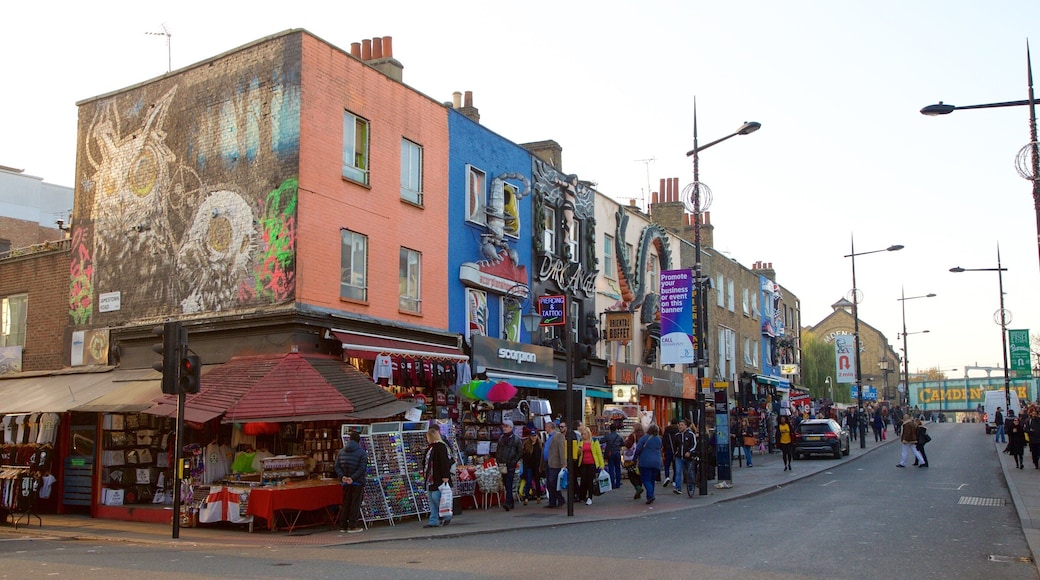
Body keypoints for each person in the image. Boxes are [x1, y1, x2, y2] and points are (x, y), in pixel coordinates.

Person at [334, 430, 367, 533]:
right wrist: (352, 478)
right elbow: (362, 468)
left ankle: (343, 525)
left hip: (345, 482)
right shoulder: (362, 453)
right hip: (357, 482)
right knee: (355, 504)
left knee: (346, 503)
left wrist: (343, 476)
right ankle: (352, 525)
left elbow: (337, 466)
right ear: (358, 441)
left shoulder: (341, 452)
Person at [421, 425, 453, 528]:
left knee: (436, 497)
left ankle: (446, 515)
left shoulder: (441, 447)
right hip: (431, 478)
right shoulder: (430, 448)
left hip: (438, 477)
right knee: (431, 499)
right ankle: (433, 520)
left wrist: (445, 476)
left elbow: (444, 462)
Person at [495, 419, 522, 511]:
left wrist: (513, 461)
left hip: (510, 464)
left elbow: (520, 452)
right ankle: (510, 502)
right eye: (504, 426)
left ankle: (508, 503)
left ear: (511, 427)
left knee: (509, 483)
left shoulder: (516, 439)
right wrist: (498, 460)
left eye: (506, 426)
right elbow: (498, 450)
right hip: (502, 464)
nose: (504, 428)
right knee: (506, 483)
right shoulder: (501, 438)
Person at [572, 427, 604, 505]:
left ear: (588, 434)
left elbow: (599, 454)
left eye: (585, 434)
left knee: (590, 480)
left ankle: (590, 497)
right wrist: (579, 451)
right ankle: (583, 495)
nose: (583, 436)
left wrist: (601, 464)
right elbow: (576, 454)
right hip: (583, 464)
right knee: (583, 480)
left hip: (592, 463)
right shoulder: (580, 442)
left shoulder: (594, 442)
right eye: (582, 434)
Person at [634, 423, 663, 505]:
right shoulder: (659, 439)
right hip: (657, 462)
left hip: (645, 462)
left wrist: (634, 459)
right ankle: (650, 496)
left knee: (646, 480)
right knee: (652, 480)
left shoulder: (644, 438)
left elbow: (638, 449)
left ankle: (650, 495)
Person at [543, 421, 566, 509]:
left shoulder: (558, 436)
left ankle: (560, 498)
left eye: (546, 427)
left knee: (553, 482)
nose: (545, 429)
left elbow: (561, 449)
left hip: (555, 463)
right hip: (548, 462)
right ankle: (552, 502)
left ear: (550, 427)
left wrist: (563, 462)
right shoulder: (548, 437)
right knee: (549, 483)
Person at [673, 419, 697, 496]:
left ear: (686, 426)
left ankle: (691, 487)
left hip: (688, 457)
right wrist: (676, 452)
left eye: (682, 425)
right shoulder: (677, 435)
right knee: (678, 472)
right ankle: (678, 488)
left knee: (690, 472)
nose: (680, 427)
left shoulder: (690, 434)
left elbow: (694, 444)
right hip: (679, 457)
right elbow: (674, 446)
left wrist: (690, 452)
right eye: (679, 425)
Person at [520, 427, 543, 504]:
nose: (534, 437)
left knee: (537, 481)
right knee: (529, 481)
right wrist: (525, 468)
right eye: (532, 436)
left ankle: (538, 496)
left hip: (537, 466)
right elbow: (525, 457)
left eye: (535, 435)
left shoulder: (539, 445)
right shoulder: (527, 445)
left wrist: (540, 467)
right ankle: (526, 497)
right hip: (529, 466)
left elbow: (540, 457)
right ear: (530, 436)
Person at [624, 423, 646, 499]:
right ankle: (639, 488)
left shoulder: (632, 436)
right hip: (642, 458)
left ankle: (637, 487)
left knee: (631, 474)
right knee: (639, 474)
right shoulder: (644, 436)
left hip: (633, 458)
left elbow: (628, 445)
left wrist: (626, 441)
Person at [601, 424, 625, 489]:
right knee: (618, 468)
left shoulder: (607, 436)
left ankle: (612, 483)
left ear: (610, 429)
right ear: (616, 429)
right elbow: (623, 443)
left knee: (611, 468)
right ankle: (618, 483)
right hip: (617, 453)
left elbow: (601, 441)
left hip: (610, 453)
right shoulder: (619, 437)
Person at [662, 418, 679, 487]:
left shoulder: (667, 430)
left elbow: (664, 440)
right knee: (675, 466)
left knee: (667, 465)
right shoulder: (678, 431)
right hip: (675, 450)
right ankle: (674, 480)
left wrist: (664, 448)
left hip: (668, 449)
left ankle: (667, 477)